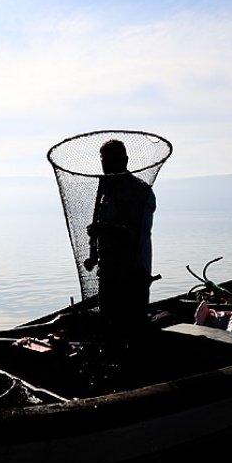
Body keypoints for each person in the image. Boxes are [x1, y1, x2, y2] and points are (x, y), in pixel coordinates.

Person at [84, 139, 156, 343]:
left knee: (133, 330)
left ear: (125, 160)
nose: (106, 165)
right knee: (109, 328)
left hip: (134, 274)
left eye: (111, 160)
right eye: (103, 160)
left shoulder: (141, 191)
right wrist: (93, 256)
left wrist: (104, 228)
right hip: (108, 273)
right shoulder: (106, 190)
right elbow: (97, 227)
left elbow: (136, 233)